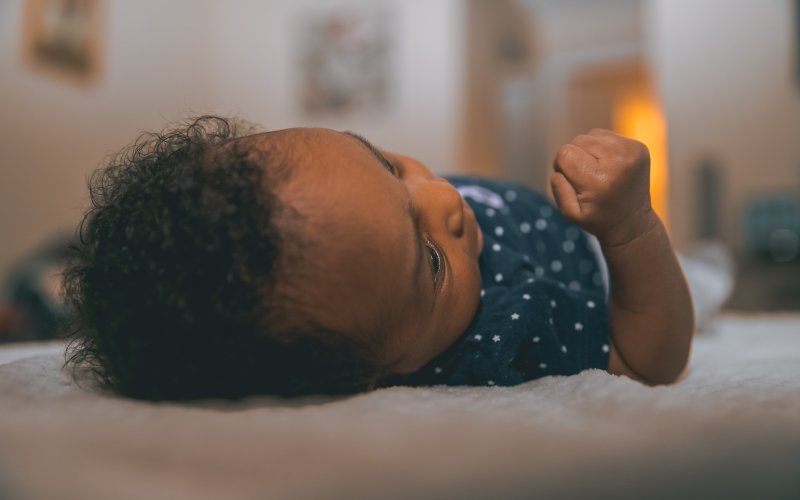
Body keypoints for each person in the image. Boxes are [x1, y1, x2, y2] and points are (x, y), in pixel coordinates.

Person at [62, 116, 694, 401]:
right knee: (700, 283)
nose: (441, 193)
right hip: (602, 258)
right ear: (376, 374)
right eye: (431, 260)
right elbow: (649, 360)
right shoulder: (499, 333)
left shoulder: (373, 251)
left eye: (386, 164)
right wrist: (633, 229)